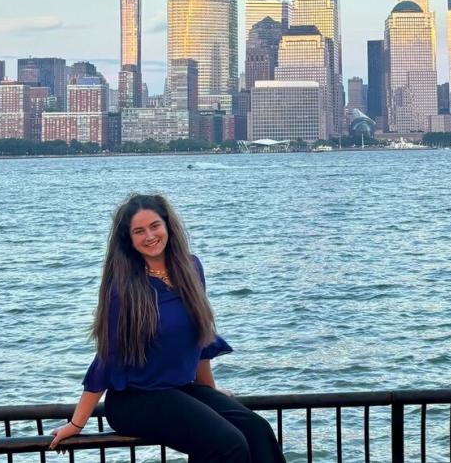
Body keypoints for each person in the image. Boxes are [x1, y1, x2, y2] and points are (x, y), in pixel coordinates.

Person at [49, 193, 285, 463]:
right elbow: (108, 357)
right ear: (130, 240)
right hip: (135, 399)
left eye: (154, 226)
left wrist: (208, 392)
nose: (149, 236)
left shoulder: (191, 268)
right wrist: (77, 424)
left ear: (167, 226)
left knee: (258, 431)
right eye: (139, 231)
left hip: (179, 389)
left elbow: (200, 337)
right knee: (227, 443)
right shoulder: (124, 289)